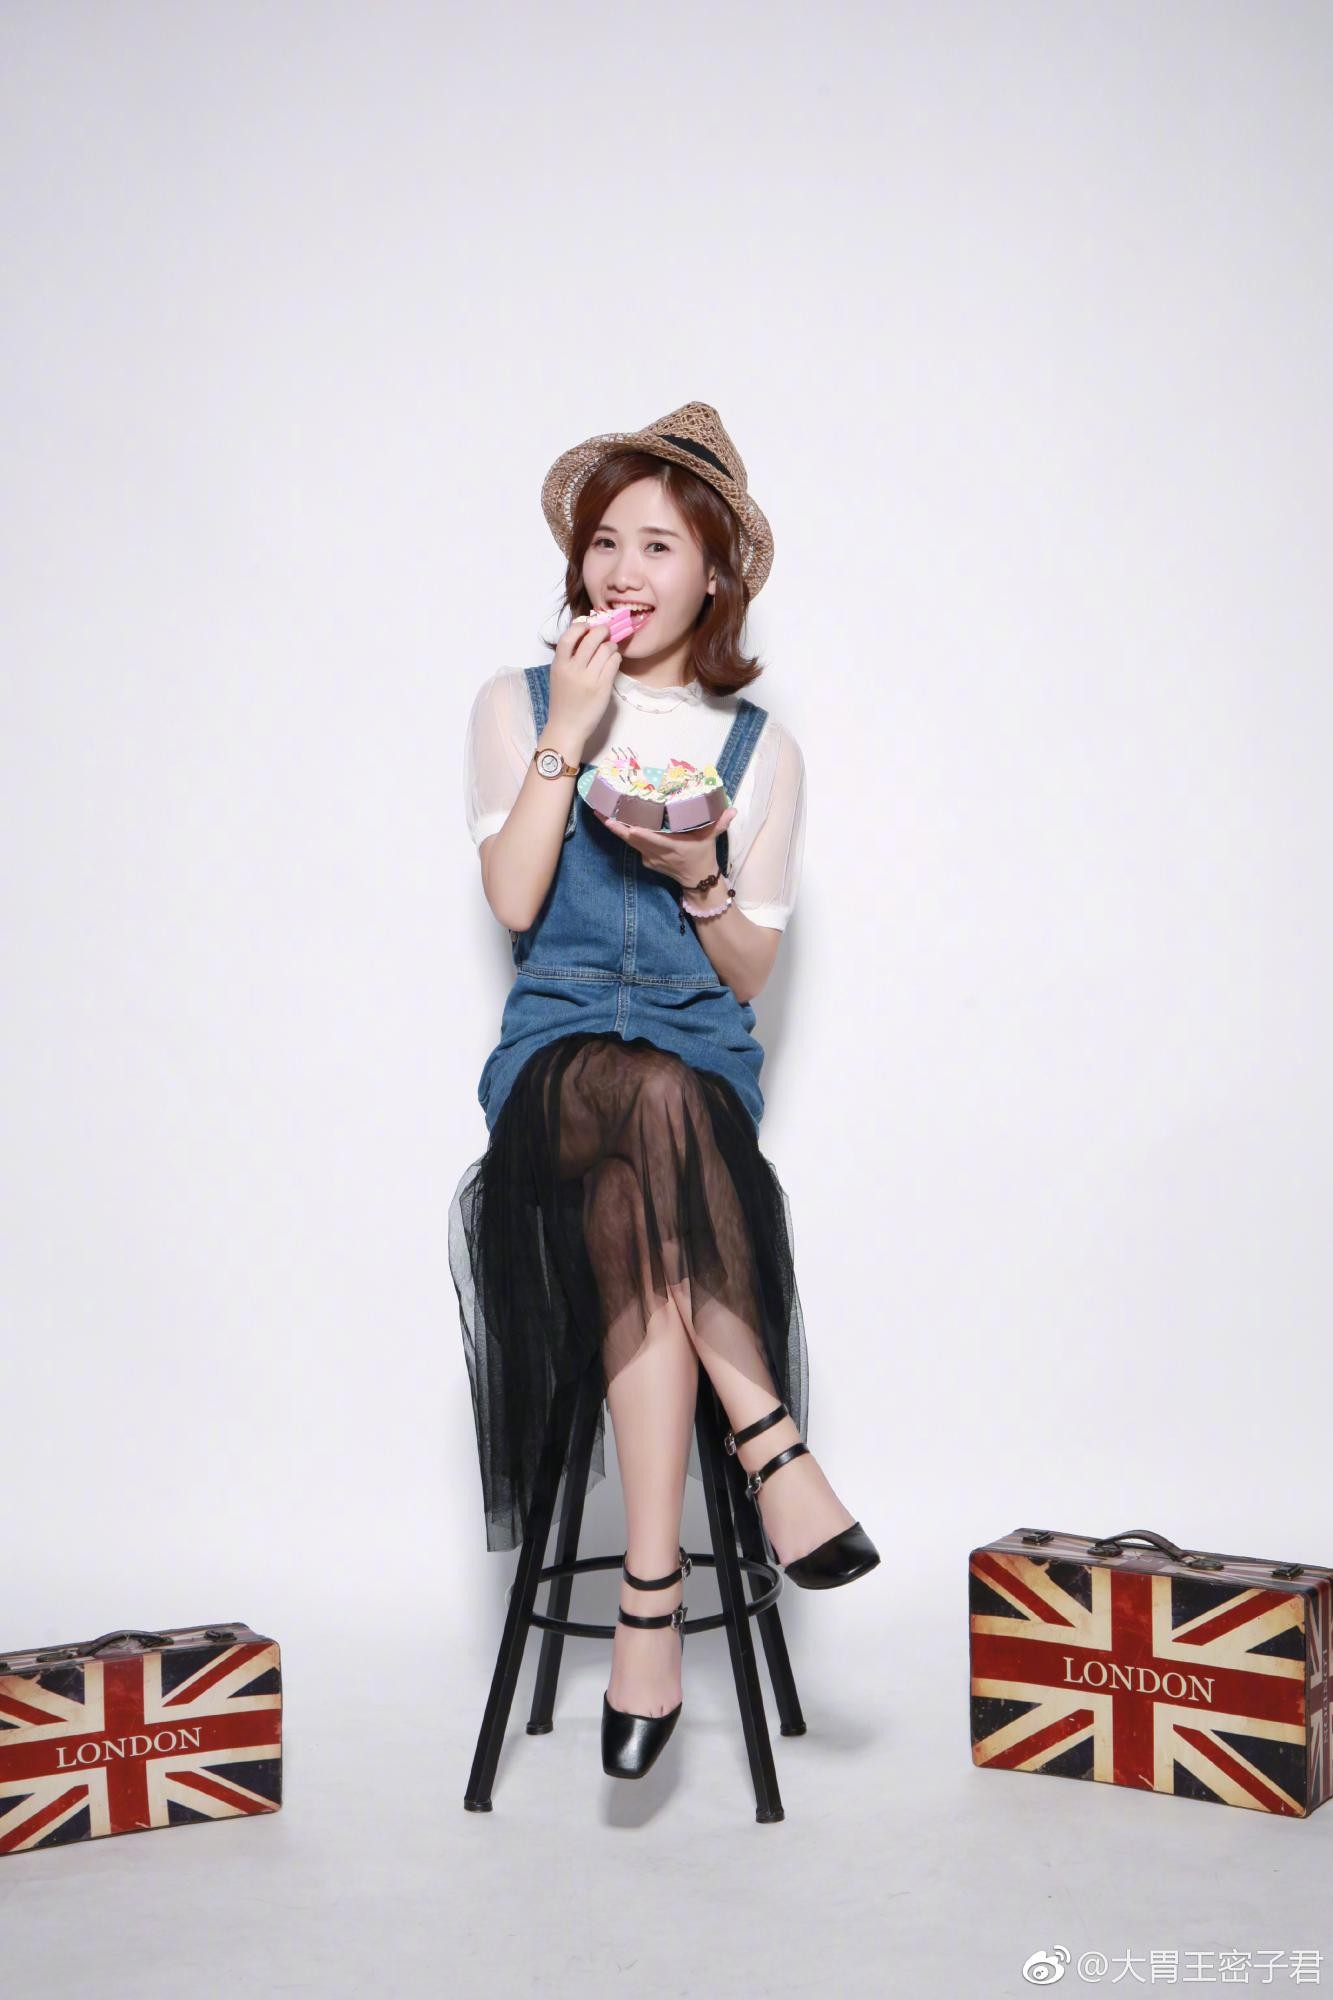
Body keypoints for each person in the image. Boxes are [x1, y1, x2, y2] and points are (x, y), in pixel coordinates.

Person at [449, 401, 879, 1781]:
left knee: (656, 1134)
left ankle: (651, 1599)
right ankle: (774, 1447)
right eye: (603, 544)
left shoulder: (763, 753)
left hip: (695, 1077)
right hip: (557, 1066)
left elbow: (746, 974)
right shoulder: (516, 704)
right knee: (631, 1092)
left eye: (657, 546)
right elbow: (516, 897)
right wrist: (570, 731)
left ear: (713, 576)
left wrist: (699, 875)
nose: (622, 572)